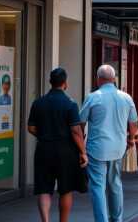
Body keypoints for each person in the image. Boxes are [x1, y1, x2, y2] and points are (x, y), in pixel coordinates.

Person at [27, 68, 88, 222]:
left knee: (44, 189)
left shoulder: (38, 102)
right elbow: (75, 130)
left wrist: (44, 135)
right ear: (65, 83)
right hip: (65, 151)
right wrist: (82, 152)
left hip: (44, 149)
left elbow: (31, 127)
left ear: (50, 82)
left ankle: (45, 220)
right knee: (66, 189)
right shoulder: (70, 103)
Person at [80, 65, 138, 222]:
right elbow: (133, 124)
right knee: (115, 184)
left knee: (98, 187)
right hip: (118, 148)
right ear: (114, 79)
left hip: (97, 148)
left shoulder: (92, 97)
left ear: (98, 79)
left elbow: (81, 122)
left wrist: (81, 143)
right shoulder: (126, 97)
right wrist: (131, 139)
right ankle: (116, 219)